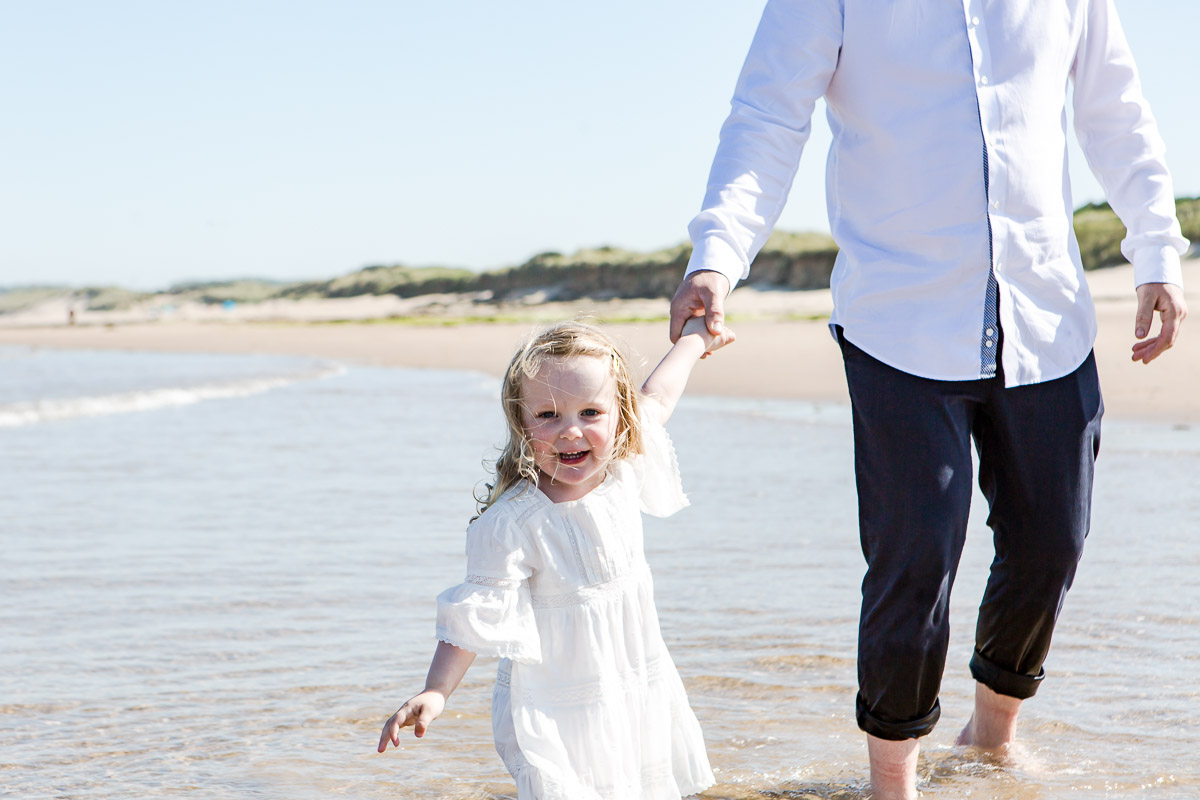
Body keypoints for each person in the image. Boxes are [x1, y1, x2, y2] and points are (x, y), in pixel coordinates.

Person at [669, 2, 1188, 798]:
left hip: (1044, 315)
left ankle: (991, 734)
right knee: (916, 555)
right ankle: (892, 781)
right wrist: (718, 253)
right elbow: (768, 114)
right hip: (898, 320)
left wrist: (1156, 247)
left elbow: (1114, 110)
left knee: (1053, 542)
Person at [377, 319, 732, 799]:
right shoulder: (513, 522)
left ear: (620, 416)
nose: (571, 431)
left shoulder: (623, 468)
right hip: (555, 698)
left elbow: (661, 395)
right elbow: (477, 613)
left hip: (630, 679)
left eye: (590, 412)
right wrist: (436, 690)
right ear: (521, 422)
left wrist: (695, 335)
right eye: (547, 415)